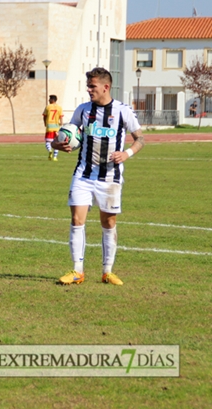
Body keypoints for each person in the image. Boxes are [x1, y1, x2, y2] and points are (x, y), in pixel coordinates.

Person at [52, 67, 145, 287]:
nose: (89, 90)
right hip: (83, 174)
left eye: (92, 86)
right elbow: (67, 133)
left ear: (106, 87)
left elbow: (140, 139)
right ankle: (77, 271)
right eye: (88, 86)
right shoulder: (83, 110)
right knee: (76, 220)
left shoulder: (123, 111)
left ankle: (107, 271)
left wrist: (127, 153)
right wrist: (58, 144)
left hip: (110, 177)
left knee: (108, 222)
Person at [43, 95, 63, 161]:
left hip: (49, 126)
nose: (49, 100)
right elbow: (61, 116)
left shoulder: (48, 107)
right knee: (56, 142)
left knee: (47, 141)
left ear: (52, 100)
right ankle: (55, 157)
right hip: (56, 127)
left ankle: (49, 151)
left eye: (50, 99)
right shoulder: (59, 107)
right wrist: (61, 123)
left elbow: (44, 116)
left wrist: (45, 123)